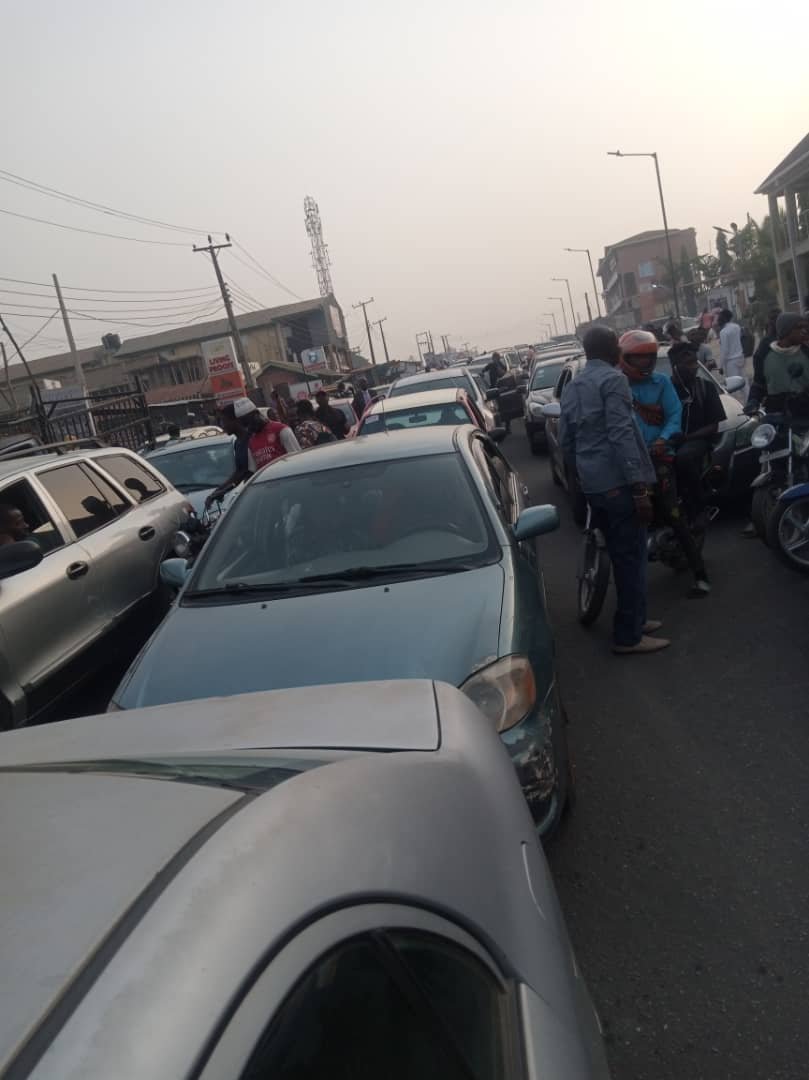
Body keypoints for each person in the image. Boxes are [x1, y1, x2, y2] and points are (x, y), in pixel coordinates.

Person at [558, 326, 668, 655]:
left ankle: (637, 618)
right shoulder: (613, 380)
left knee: (621, 555)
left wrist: (580, 477)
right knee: (630, 558)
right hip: (619, 483)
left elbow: (567, 440)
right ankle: (629, 635)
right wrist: (638, 489)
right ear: (613, 351)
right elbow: (621, 434)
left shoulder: (574, 386)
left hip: (593, 484)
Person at [619, 329, 710, 598]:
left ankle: (701, 575)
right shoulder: (616, 385)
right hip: (629, 461)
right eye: (638, 359)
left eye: (649, 358)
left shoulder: (660, 383)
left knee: (674, 515)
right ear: (625, 358)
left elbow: (674, 414)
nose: (645, 363)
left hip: (659, 457)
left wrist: (664, 439)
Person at [668, 341, 726, 525]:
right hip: (668, 440)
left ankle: (700, 506)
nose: (694, 368)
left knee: (683, 457)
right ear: (675, 366)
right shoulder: (665, 389)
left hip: (697, 440)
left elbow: (714, 426)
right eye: (689, 364)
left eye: (695, 363)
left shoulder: (706, 388)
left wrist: (687, 438)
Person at [746, 313, 809, 416]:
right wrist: (753, 401)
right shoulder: (765, 353)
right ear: (787, 330)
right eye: (799, 327)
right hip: (777, 414)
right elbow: (759, 383)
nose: (804, 331)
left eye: (805, 327)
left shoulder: (805, 351)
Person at [205, 400, 254, 509]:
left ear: (235, 420)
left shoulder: (251, 438)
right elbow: (239, 471)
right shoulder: (237, 443)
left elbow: (246, 471)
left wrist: (223, 491)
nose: (222, 425)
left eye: (224, 421)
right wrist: (217, 491)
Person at [235, 396, 300, 467]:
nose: (248, 427)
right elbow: (254, 471)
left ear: (256, 414)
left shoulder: (281, 430)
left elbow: (297, 459)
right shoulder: (251, 442)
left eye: (249, 422)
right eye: (245, 425)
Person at [717, 309, 747, 399]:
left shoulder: (723, 332)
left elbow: (725, 350)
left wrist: (720, 366)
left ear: (724, 318)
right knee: (744, 383)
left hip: (731, 362)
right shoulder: (737, 327)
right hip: (740, 358)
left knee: (732, 386)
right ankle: (749, 401)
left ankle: (736, 406)